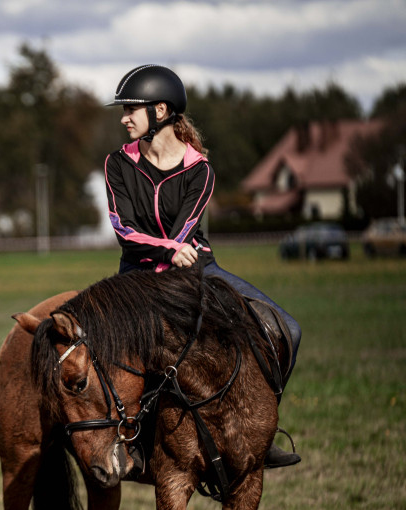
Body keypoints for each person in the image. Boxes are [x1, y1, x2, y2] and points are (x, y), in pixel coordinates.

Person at [103, 64, 301, 468]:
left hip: (197, 269)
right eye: (123, 110)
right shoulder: (117, 164)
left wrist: (174, 251)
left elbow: (186, 230)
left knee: (289, 330)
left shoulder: (200, 170)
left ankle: (261, 428)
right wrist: (166, 251)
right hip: (138, 274)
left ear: (160, 112)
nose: (124, 117)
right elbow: (124, 229)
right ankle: (132, 441)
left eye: (131, 109)